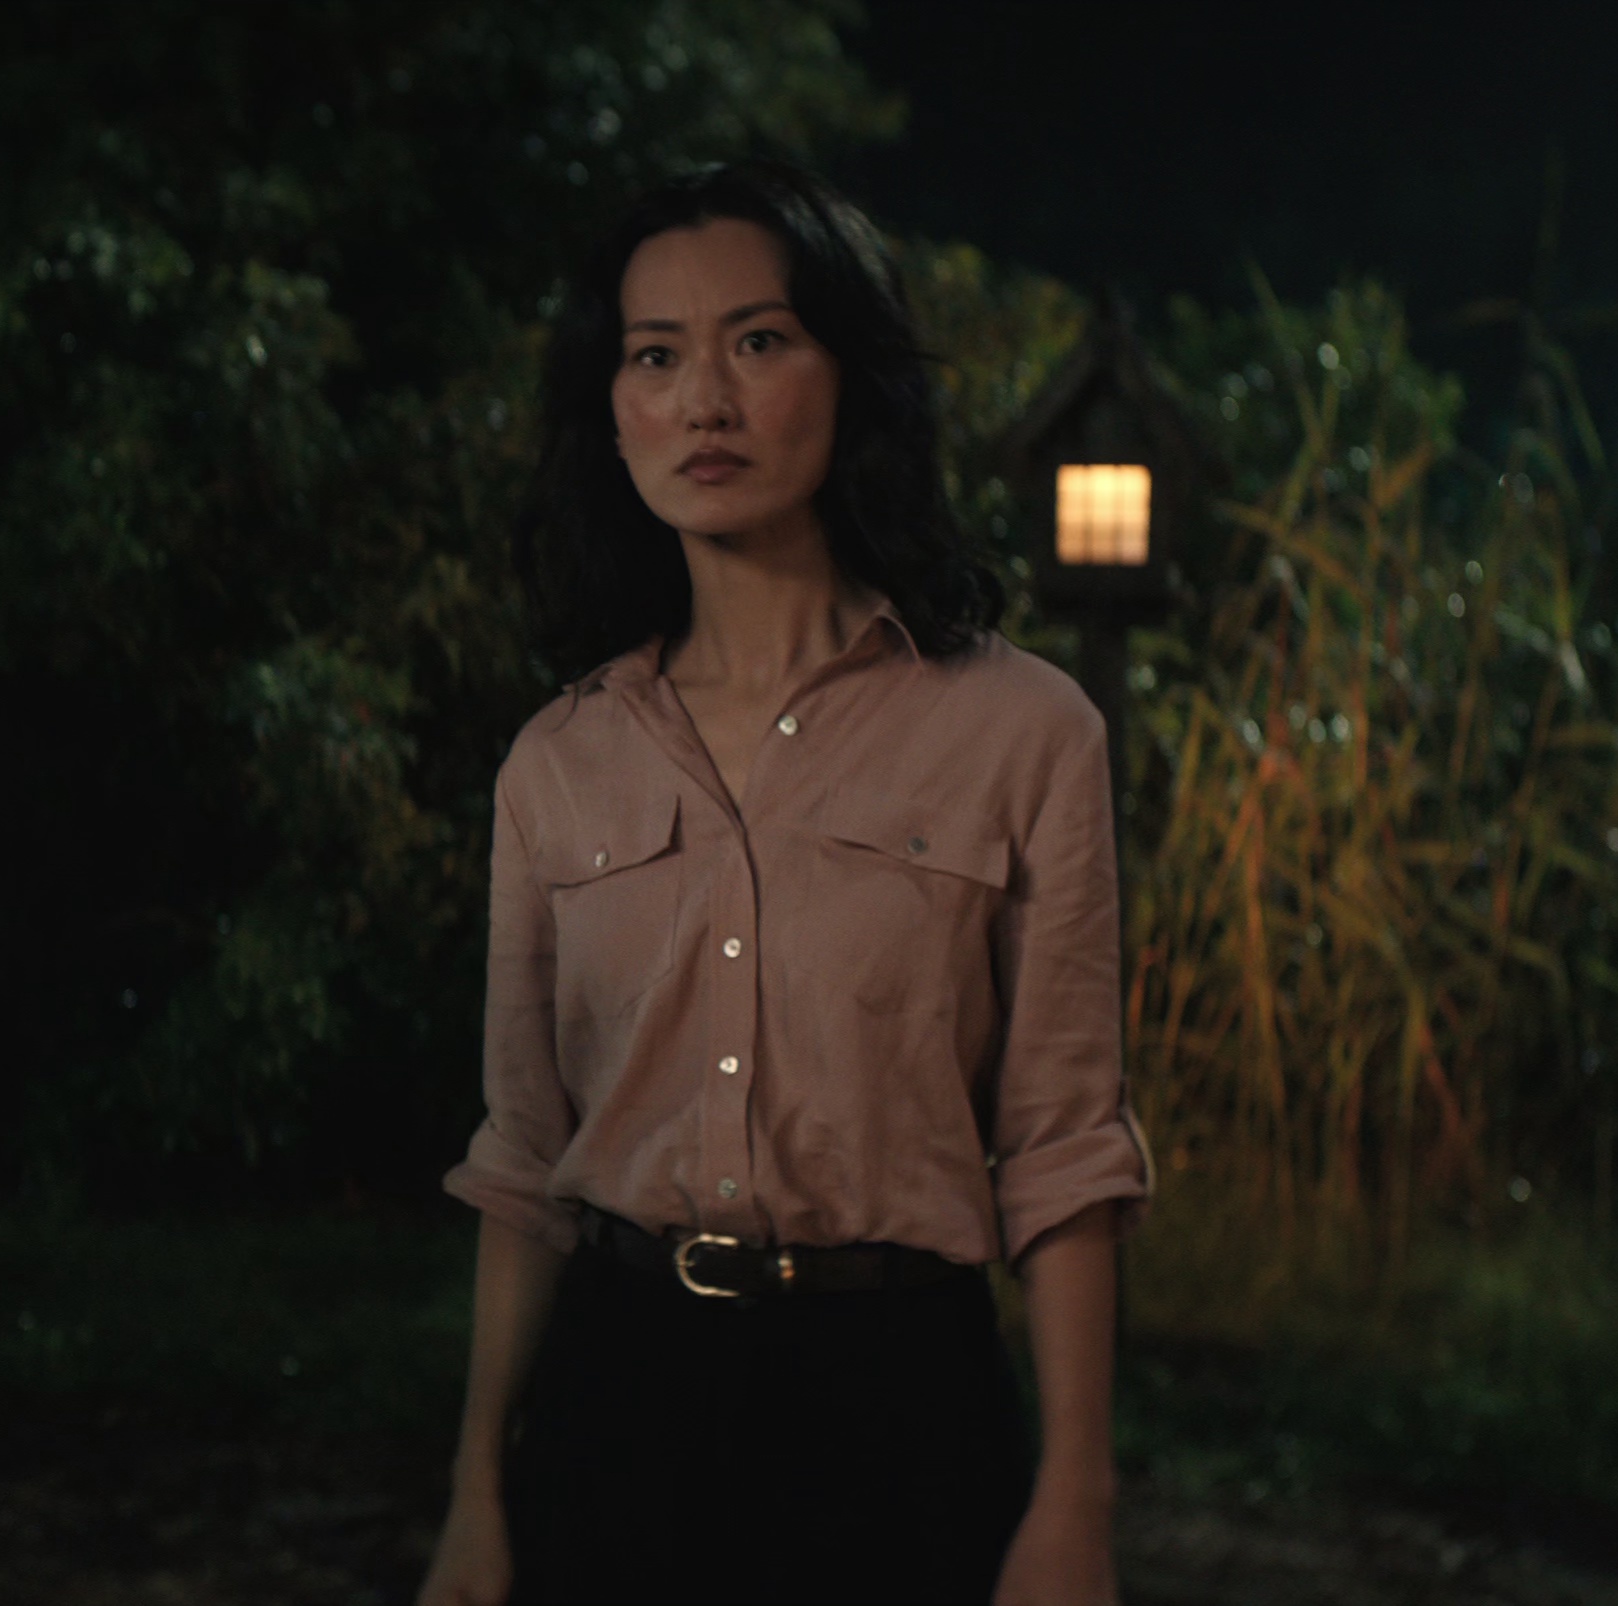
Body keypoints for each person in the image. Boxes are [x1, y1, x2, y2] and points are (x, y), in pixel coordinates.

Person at [413, 162, 1151, 1606]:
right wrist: (476, 1492)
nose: (706, 402)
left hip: (904, 1408)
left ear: (851, 377)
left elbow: (1065, 1147)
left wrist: (1077, 1499)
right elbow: (524, 1157)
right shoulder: (558, 761)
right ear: (610, 410)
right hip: (616, 1403)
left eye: (758, 341)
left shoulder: (1023, 732)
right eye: (656, 356)